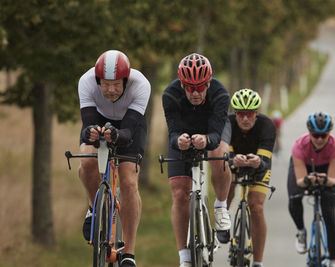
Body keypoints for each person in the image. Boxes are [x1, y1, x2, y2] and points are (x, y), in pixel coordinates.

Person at [78, 50, 150, 267]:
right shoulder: (86, 82)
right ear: (98, 80)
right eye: (106, 84)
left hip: (130, 125)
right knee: (87, 160)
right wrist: (90, 132)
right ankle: (94, 206)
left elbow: (128, 132)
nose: (110, 90)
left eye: (117, 84)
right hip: (99, 118)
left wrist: (117, 135)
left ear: (126, 81)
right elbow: (87, 124)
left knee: (128, 181)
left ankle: (129, 253)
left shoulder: (141, 85)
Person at [162, 53, 232, 267]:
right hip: (184, 135)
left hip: (213, 132)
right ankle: (184, 257)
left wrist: (207, 139)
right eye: (189, 87)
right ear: (181, 84)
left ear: (208, 82)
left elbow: (216, 133)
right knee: (179, 193)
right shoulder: (170, 95)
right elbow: (172, 131)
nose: (195, 92)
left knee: (219, 151)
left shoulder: (220, 94)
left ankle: (220, 206)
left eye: (200, 87)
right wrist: (178, 140)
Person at [227, 89, 276, 267]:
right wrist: (234, 160)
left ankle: (258, 262)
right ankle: (222, 219)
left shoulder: (267, 126)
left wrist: (257, 163)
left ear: (256, 113)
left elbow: (265, 161)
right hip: (234, 163)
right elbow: (225, 157)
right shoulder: (228, 123)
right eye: (240, 113)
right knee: (227, 179)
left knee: (256, 206)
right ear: (235, 113)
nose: (245, 118)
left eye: (249, 114)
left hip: (258, 167)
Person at [287, 112, 335, 267]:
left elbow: (333, 179)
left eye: (323, 136)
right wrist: (307, 180)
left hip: (326, 170)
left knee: (329, 213)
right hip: (303, 167)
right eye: (315, 135)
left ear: (329, 134)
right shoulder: (299, 145)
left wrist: (324, 180)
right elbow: (299, 180)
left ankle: (333, 261)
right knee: (294, 198)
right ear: (309, 133)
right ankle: (301, 232)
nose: (319, 139)